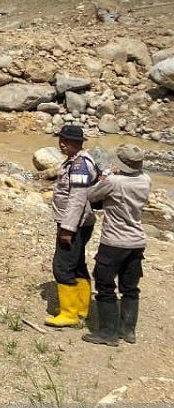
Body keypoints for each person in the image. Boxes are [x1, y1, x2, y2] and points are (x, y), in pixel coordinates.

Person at [82, 144, 151, 346]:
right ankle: (128, 331)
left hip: (114, 241)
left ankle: (107, 333)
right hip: (137, 240)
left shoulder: (114, 181)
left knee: (104, 284)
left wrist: (104, 177)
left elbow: (91, 195)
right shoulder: (146, 179)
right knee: (130, 287)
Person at [45, 125, 99, 328]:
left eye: (66, 141)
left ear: (79, 143)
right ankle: (81, 309)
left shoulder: (79, 166)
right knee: (77, 264)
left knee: (62, 266)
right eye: (61, 139)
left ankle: (69, 314)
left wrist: (68, 229)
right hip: (79, 222)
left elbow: (77, 199)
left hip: (74, 224)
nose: (62, 143)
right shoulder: (77, 161)